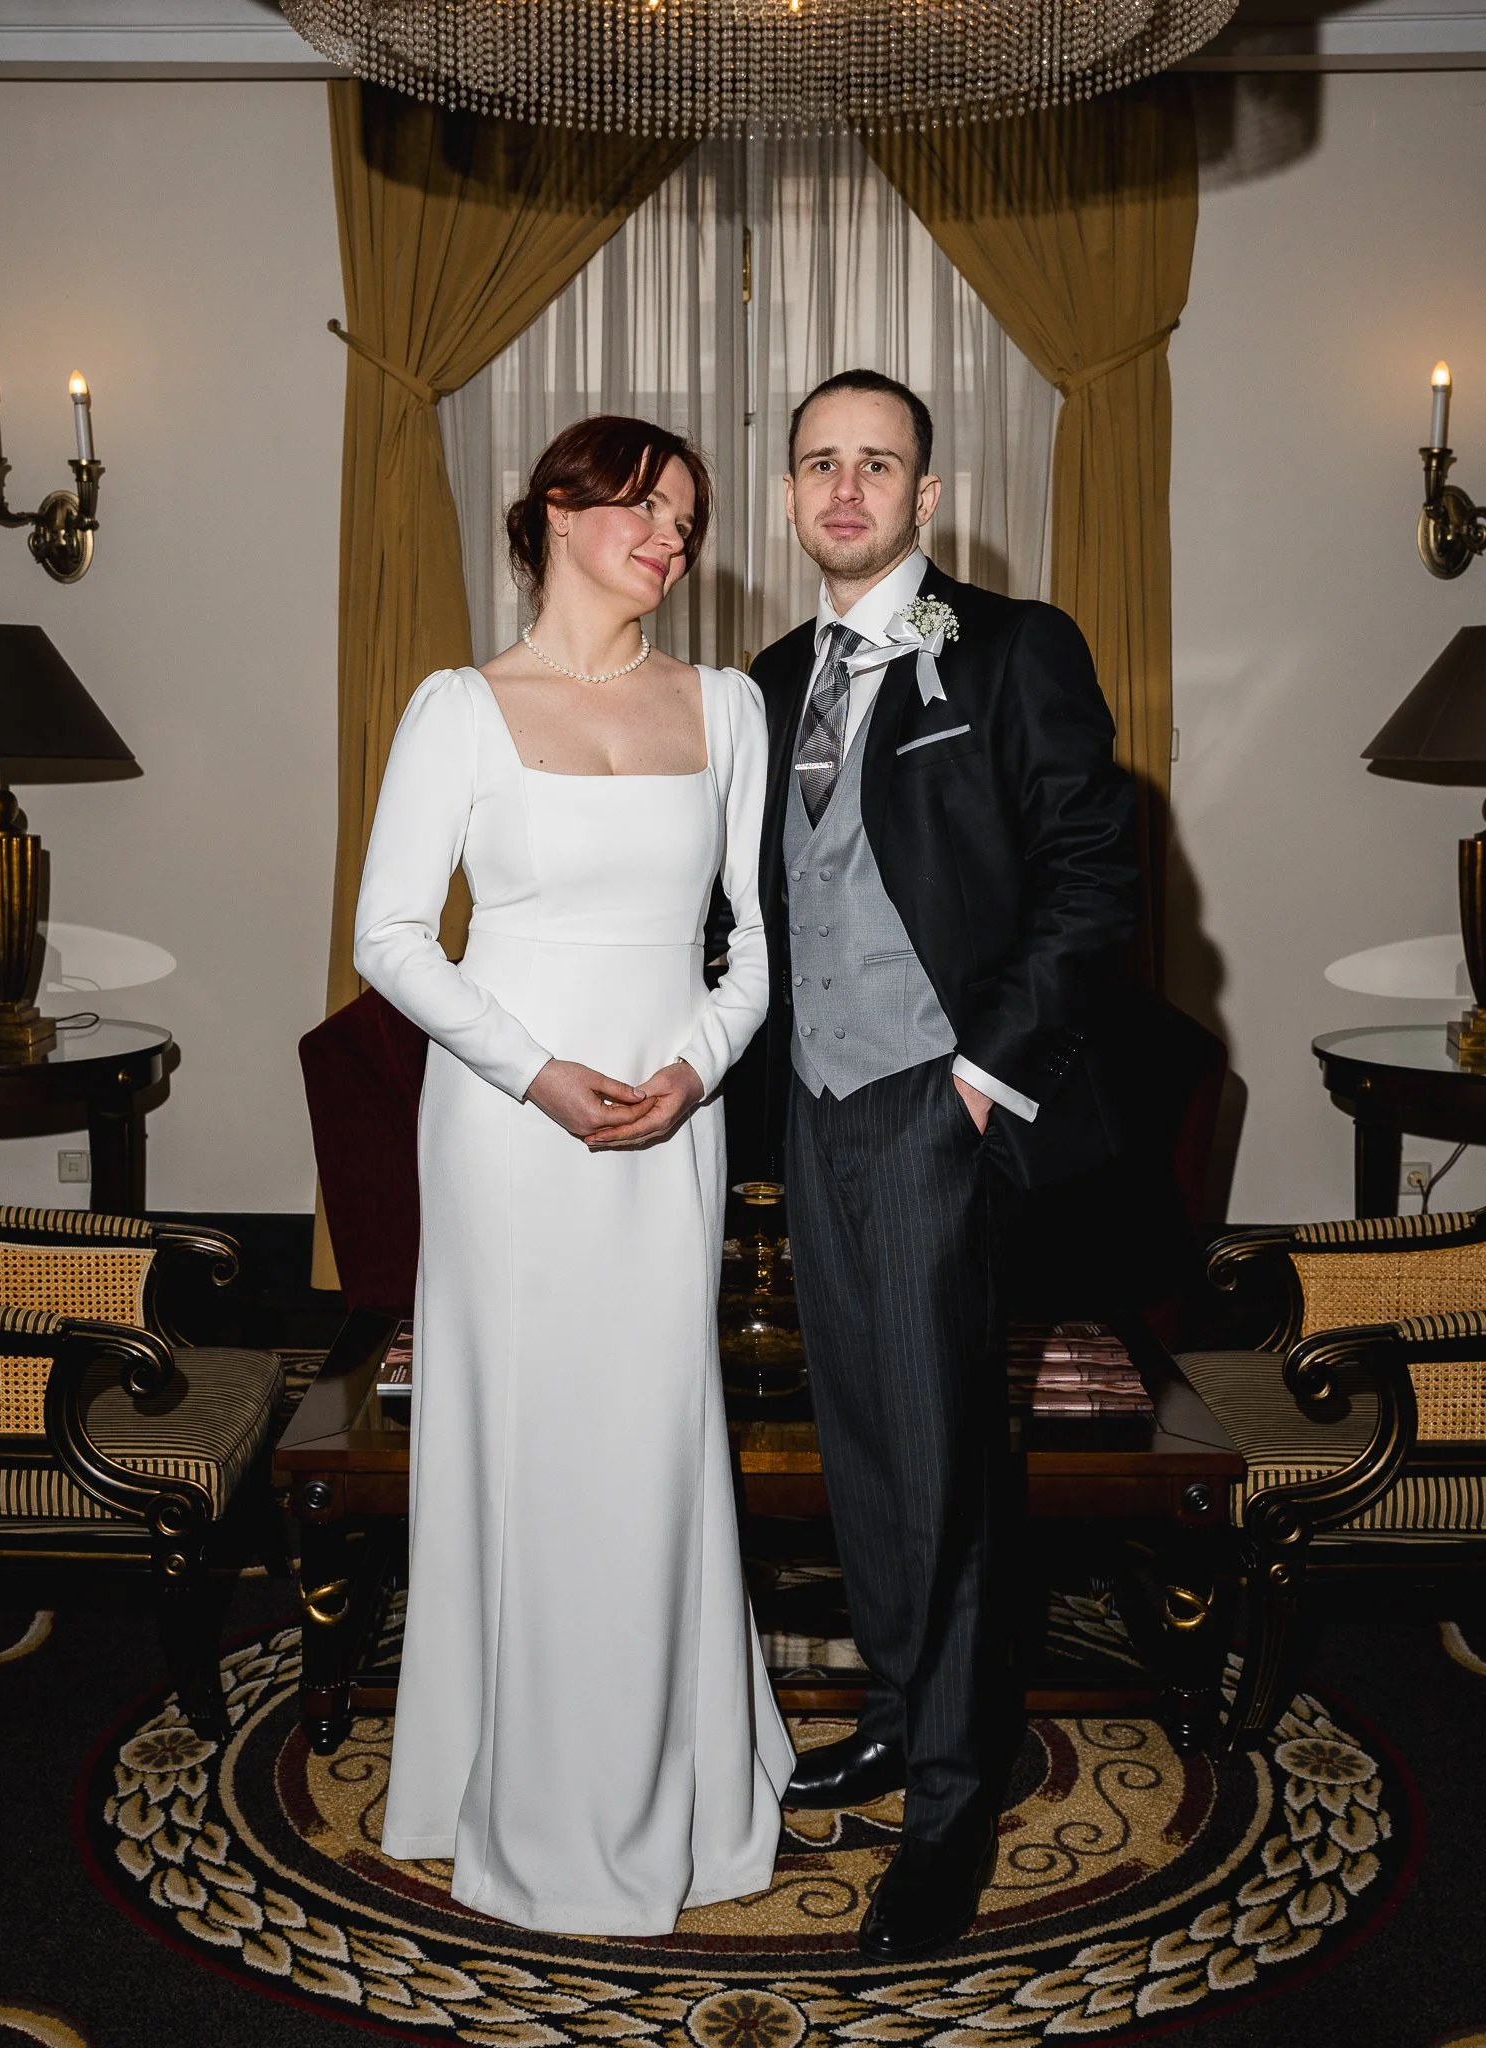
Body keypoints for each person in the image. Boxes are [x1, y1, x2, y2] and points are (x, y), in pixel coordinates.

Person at [354, 414, 792, 1937]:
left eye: (689, 513)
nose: (672, 535)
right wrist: (534, 1072)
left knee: (655, 1436)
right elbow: (392, 938)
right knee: (525, 1440)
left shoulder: (726, 705)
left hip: (671, 1119)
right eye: (643, 506)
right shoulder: (459, 709)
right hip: (505, 1123)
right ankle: (498, 1779)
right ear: (552, 513)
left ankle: (680, 1788)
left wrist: (695, 1068)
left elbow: (757, 948)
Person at [751, 370, 1137, 1960]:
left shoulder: (1019, 645)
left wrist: (983, 1079)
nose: (848, 488)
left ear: (927, 493)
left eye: (879, 464)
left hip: (937, 1098)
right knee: (860, 1446)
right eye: (820, 463)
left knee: (946, 1467)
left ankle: (955, 1805)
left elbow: (1092, 878)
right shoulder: (766, 679)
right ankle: (906, 1719)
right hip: (810, 1106)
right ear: (791, 496)